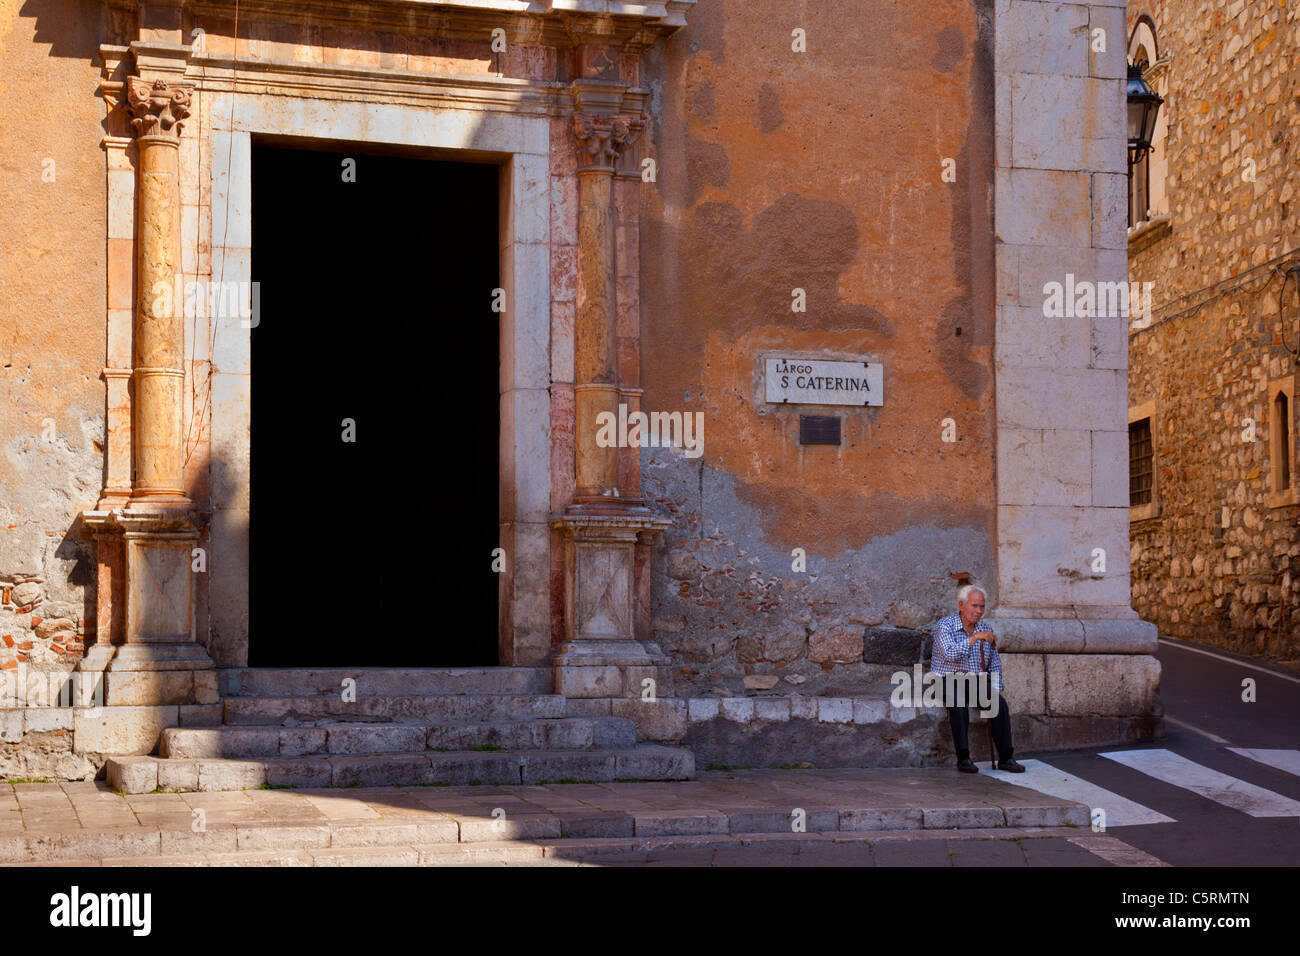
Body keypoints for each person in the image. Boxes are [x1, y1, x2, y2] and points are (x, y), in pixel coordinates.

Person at [930, 585, 1024, 774]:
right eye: (974, 606)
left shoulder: (985, 629)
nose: (979, 611)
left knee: (999, 704)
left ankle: (1006, 758)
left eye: (982, 606)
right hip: (944, 679)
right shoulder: (945, 626)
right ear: (961, 605)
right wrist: (974, 639)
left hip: (973, 682)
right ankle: (963, 758)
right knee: (957, 701)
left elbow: (994, 663)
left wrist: (994, 688)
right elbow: (950, 655)